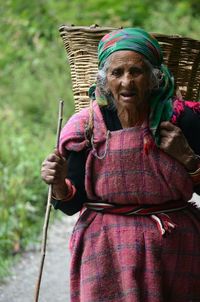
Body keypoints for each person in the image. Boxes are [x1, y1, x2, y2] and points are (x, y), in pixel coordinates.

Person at [41, 28, 200, 302]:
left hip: (174, 254)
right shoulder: (88, 127)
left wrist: (187, 157)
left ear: (154, 77)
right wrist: (58, 183)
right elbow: (71, 204)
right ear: (104, 81)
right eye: (117, 73)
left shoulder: (182, 120)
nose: (127, 82)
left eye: (136, 72)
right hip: (105, 254)